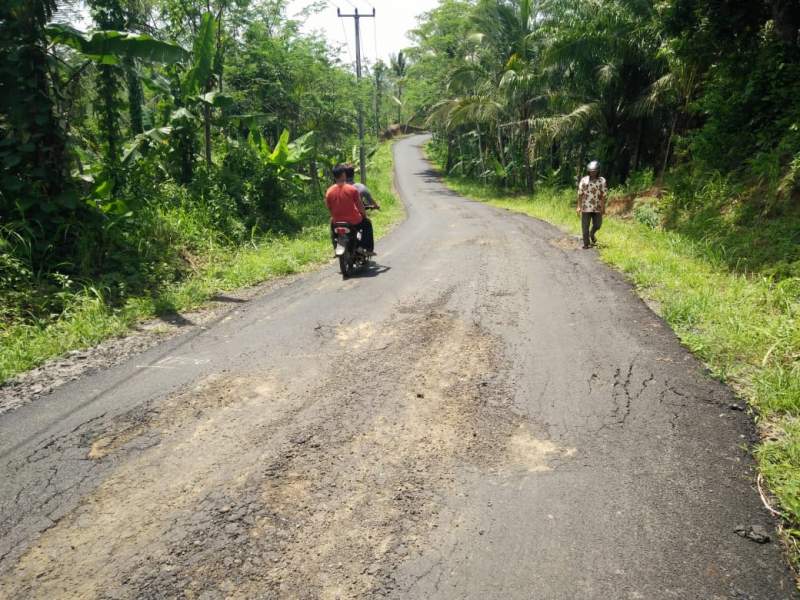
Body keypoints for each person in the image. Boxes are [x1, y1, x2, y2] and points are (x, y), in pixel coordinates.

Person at [325, 164, 375, 255]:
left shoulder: (329, 191)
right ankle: (366, 248)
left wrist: (334, 217)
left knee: (332, 226)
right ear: (344, 174)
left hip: (337, 221)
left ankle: (336, 246)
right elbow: (360, 206)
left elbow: (329, 207)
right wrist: (364, 215)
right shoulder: (352, 189)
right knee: (367, 224)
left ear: (334, 176)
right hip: (354, 221)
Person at [577, 160, 607, 249]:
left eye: (594, 171)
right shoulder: (584, 180)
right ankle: (586, 244)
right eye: (591, 171)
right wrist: (578, 206)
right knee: (585, 226)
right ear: (588, 171)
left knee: (598, 224)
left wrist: (603, 206)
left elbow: (603, 195)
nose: (592, 173)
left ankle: (592, 233)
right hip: (586, 207)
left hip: (597, 207)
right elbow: (580, 194)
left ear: (598, 171)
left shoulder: (602, 181)